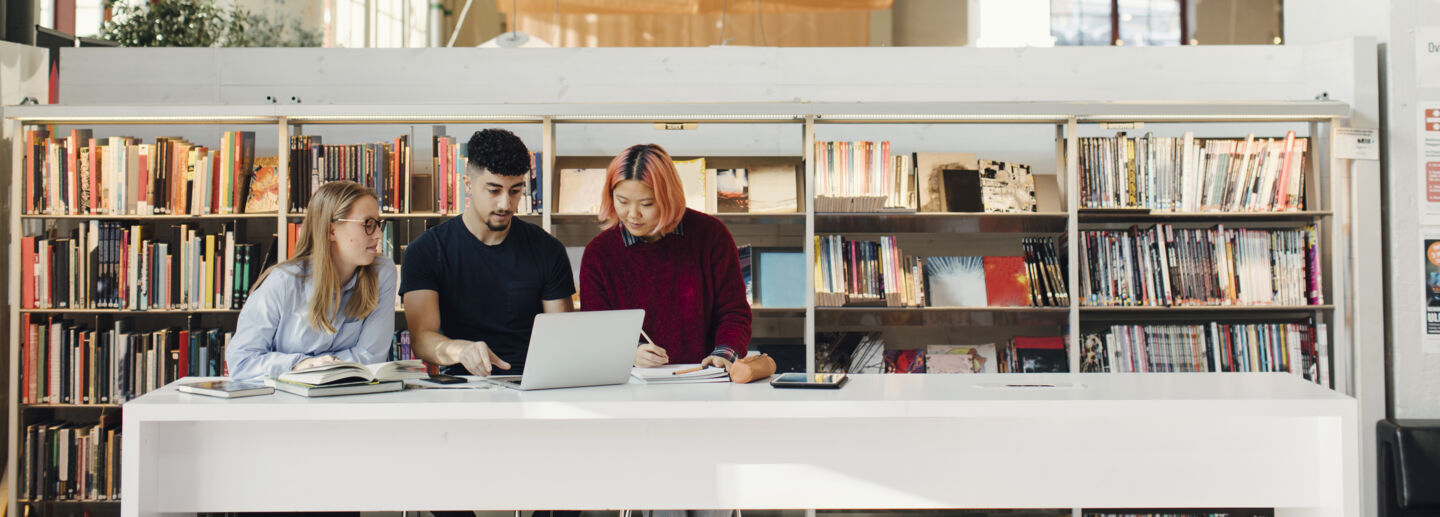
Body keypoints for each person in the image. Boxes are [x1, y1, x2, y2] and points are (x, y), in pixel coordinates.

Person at [400, 127, 574, 377]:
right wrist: (460, 350)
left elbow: (562, 336)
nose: (506, 204)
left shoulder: (548, 250)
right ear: (468, 184)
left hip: (532, 381)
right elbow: (422, 340)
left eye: (515, 191)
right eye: (494, 190)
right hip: (461, 384)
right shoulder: (426, 251)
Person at [580, 143, 752, 371]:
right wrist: (630, 352)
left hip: (703, 379)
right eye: (622, 201)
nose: (633, 215)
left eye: (647, 204)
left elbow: (734, 312)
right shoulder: (599, 253)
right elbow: (595, 329)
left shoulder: (711, 235)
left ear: (669, 196)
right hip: (631, 384)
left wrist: (724, 353)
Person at [228, 180, 396, 381]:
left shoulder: (382, 273)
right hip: (286, 402)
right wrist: (299, 364)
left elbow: (372, 358)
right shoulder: (283, 282)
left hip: (351, 399)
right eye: (367, 224)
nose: (378, 234)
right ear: (331, 230)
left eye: (378, 224)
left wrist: (314, 367)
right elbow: (241, 361)